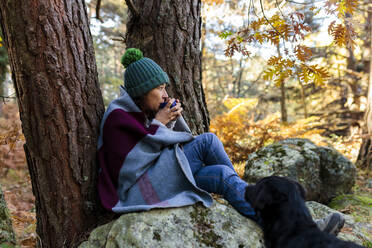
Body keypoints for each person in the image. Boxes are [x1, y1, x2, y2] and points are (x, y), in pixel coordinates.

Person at [97, 48, 344, 235]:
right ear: (142, 90)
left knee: (223, 175)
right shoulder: (118, 117)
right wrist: (161, 123)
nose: (165, 94)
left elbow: (152, 144)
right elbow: (129, 170)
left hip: (157, 177)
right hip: (136, 191)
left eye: (165, 88)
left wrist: (166, 122)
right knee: (207, 141)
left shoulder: (140, 113)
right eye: (159, 88)